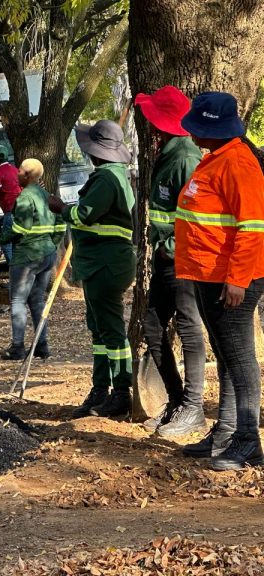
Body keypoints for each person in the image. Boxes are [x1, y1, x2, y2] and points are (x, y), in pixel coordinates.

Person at [174, 92, 264, 471]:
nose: (194, 136)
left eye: (200, 129)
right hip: (208, 273)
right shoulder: (216, 159)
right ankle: (226, 433)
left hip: (231, 278)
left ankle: (248, 440)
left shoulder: (239, 163)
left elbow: (253, 227)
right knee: (226, 355)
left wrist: (238, 279)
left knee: (240, 358)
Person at [48, 120, 136, 418]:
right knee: (99, 331)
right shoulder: (113, 176)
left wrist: (61, 208)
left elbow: (84, 214)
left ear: (95, 152)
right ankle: (100, 389)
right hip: (99, 265)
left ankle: (121, 392)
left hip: (105, 265)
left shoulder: (107, 179)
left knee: (111, 332)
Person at [134, 86, 207, 438]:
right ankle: (177, 399)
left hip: (186, 260)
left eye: (152, 119)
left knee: (190, 325)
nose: (147, 126)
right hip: (166, 260)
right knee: (151, 324)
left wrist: (174, 246)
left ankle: (194, 406)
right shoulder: (166, 153)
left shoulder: (185, 158)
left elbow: (199, 211)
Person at [0, 159, 65, 360]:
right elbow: (61, 223)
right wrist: (52, 244)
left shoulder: (25, 197)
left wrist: (3, 238)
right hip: (47, 255)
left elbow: (21, 228)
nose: (16, 174)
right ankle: (41, 345)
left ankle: (18, 347)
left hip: (27, 256)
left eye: (19, 171)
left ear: (27, 175)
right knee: (36, 300)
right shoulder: (47, 195)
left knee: (18, 299)